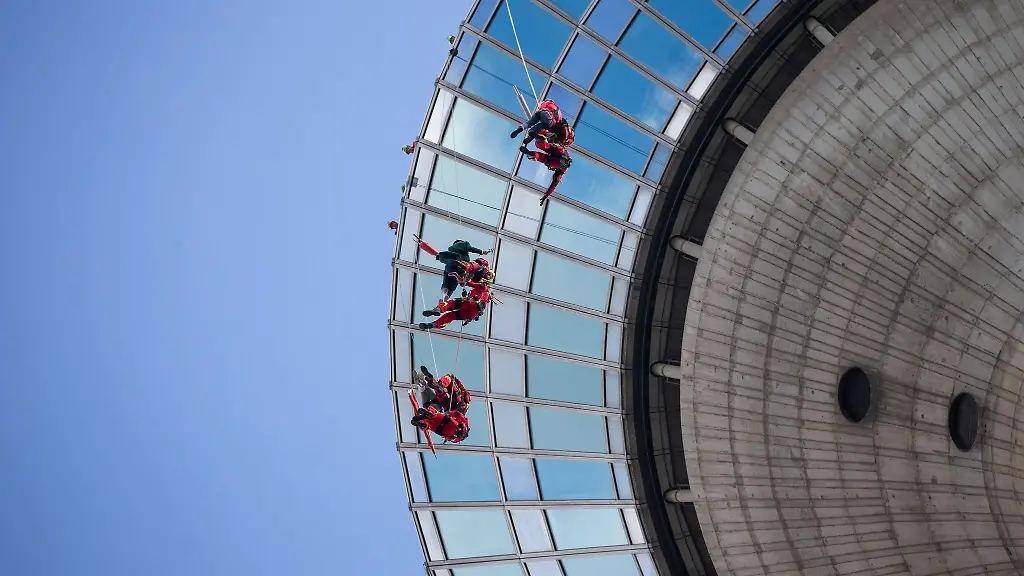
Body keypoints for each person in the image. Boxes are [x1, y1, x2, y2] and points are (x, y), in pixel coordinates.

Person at [521, 140, 571, 205]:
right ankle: (532, 154)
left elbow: (559, 145)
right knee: (542, 158)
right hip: (557, 163)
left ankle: (539, 141)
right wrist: (546, 196)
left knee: (546, 147)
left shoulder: (567, 154)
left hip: (561, 151)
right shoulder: (562, 170)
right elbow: (554, 184)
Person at [419, 289, 490, 330]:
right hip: (472, 314)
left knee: (449, 304)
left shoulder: (484, 290)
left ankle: (438, 309)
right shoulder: (485, 299)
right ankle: (434, 325)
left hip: (469, 303)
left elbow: (472, 283)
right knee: (451, 316)